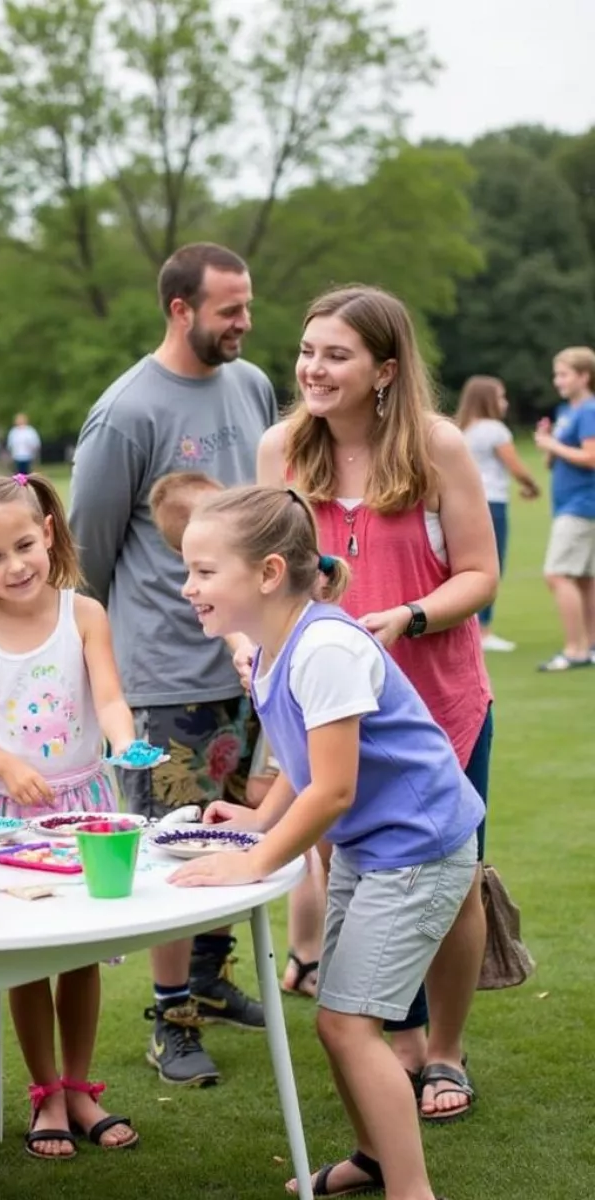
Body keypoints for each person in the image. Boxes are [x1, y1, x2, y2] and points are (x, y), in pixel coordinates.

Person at [164, 483, 482, 1200]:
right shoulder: (279, 649)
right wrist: (257, 820)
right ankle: (374, 1162)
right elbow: (298, 764)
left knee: (345, 1024)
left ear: (269, 572)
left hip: (416, 850)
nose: (189, 587)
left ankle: (411, 1190)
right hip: (376, 852)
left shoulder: (326, 647)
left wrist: (253, 858)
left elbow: (333, 789)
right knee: (338, 1022)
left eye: (205, 572)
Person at [256, 284, 498, 1123]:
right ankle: (393, 1029)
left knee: (454, 880)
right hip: (327, 710)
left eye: (337, 355)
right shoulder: (280, 450)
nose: (312, 369)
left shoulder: (437, 448)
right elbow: (262, 569)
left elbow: (480, 575)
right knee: (350, 867)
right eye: (307, 350)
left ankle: (444, 1052)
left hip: (437, 702)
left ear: (385, 370)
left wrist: (411, 615)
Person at [69, 242, 277, 1086]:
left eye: (248, 306)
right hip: (161, 675)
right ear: (180, 309)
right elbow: (86, 551)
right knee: (166, 845)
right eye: (229, 309)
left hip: (252, 666)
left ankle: (210, 978)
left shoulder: (254, 384)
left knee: (233, 822)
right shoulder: (126, 412)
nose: (244, 323)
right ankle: (168, 1021)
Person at [0, 472, 139, 1160]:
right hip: (10, 818)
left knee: (78, 955)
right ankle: (45, 1092)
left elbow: (107, 695)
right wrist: (7, 767)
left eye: (24, 545)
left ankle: (79, 1086)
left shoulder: (85, 614)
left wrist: (125, 738)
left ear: (48, 533)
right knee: (25, 961)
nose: (15, 566)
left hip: (84, 807)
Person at [455, 375, 540, 652]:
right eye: (501, 396)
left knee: (464, 567)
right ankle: (483, 632)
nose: (505, 403)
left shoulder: (462, 429)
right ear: (488, 399)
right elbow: (515, 466)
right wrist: (532, 485)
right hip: (491, 502)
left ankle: (465, 626)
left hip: (461, 503)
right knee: (490, 567)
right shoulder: (495, 430)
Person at [533, 345, 595, 671]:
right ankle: (590, 646)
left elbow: (591, 457)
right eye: (557, 374)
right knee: (583, 578)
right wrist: (548, 442)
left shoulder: (589, 411)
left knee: (557, 574)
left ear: (584, 376)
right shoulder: (566, 411)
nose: (558, 380)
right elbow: (551, 459)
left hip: (582, 504)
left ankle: (576, 650)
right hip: (569, 504)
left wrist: (554, 444)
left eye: (564, 374)